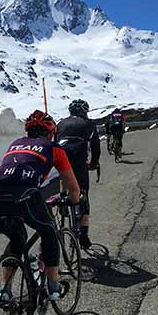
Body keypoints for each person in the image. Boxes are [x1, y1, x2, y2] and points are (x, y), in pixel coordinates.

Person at [0, 110, 81, 303]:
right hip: (25, 197)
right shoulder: (54, 149)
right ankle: (54, 288)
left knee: (17, 239)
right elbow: (73, 186)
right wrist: (74, 200)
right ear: (51, 133)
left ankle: (5, 291)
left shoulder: (15, 144)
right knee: (49, 233)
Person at [56, 99, 101, 249]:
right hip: (79, 162)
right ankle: (83, 233)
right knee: (83, 196)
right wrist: (93, 164)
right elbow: (96, 149)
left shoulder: (60, 123)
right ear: (84, 112)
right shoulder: (89, 124)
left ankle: (62, 198)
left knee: (64, 174)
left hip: (61, 159)